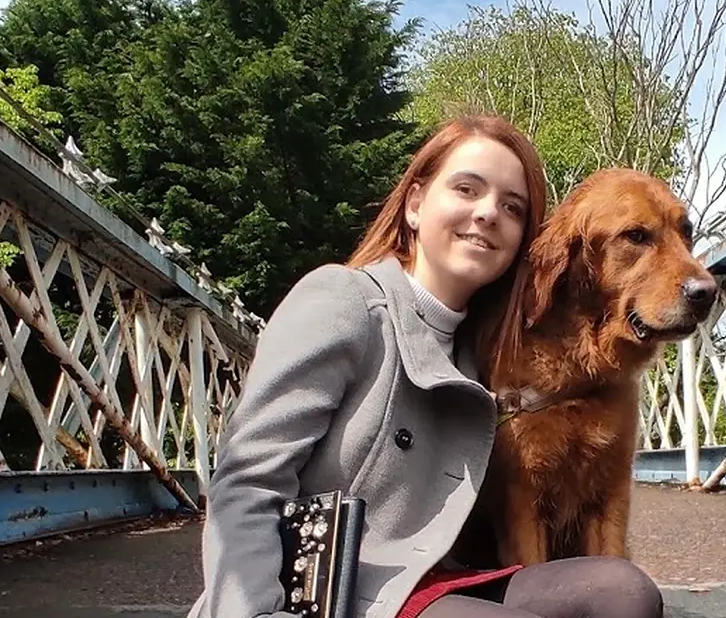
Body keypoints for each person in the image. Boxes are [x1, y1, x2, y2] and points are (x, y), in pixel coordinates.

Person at [187, 114, 665, 618]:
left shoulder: (487, 348)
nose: (487, 213)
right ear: (415, 204)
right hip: (340, 597)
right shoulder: (342, 302)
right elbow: (247, 483)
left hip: (437, 580)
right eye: (466, 189)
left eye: (512, 207)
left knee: (625, 592)